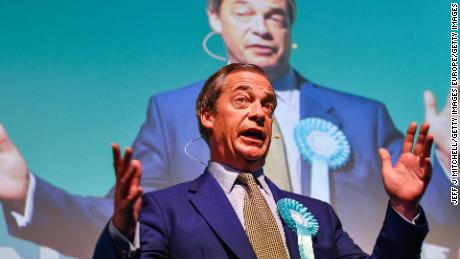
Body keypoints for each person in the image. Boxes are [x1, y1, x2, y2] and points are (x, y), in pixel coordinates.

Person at [0, 0, 455, 258]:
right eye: (244, 10)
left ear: (291, 24)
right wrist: (28, 194)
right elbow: (120, 225)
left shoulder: (358, 130)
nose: (261, 26)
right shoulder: (165, 203)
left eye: (275, 14)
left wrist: (430, 183)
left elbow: (449, 225)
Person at [94, 63, 433, 259]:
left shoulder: (317, 216)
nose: (259, 113)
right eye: (243, 100)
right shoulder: (164, 209)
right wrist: (122, 230)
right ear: (207, 115)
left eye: (268, 106)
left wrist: (403, 207)